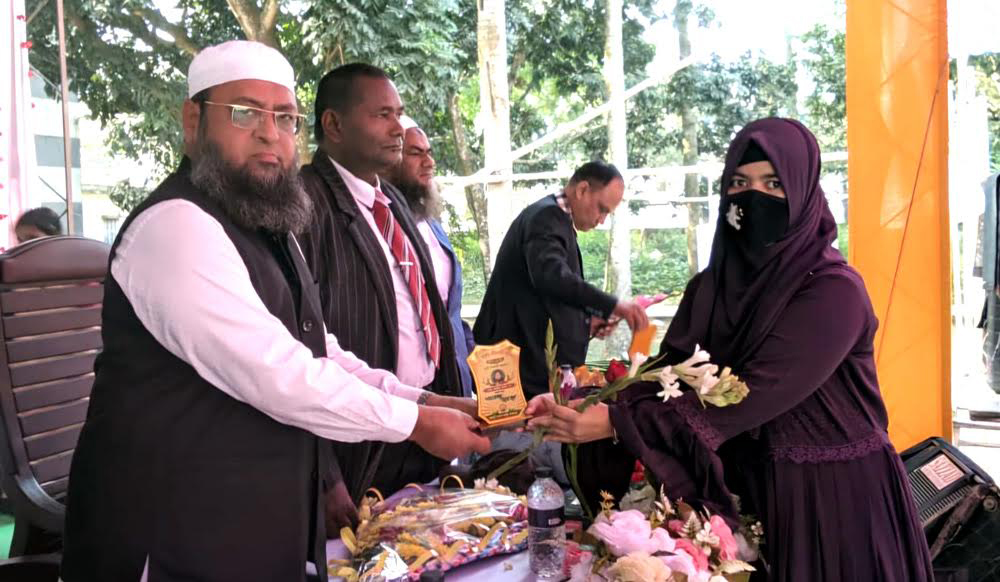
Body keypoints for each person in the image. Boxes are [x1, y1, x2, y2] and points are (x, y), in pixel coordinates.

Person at [61, 41, 489, 582]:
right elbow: (278, 374)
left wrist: (425, 399)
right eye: (245, 113)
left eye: (285, 118)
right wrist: (417, 424)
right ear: (193, 120)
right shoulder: (174, 227)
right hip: (167, 536)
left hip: (250, 531)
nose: (270, 133)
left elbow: (318, 351)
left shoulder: (266, 225)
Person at [525, 118, 933, 581]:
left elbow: (747, 394)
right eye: (740, 183)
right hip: (754, 498)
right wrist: (581, 404)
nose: (754, 197)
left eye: (773, 184)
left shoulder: (833, 293)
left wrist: (614, 422)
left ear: (803, 192)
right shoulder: (712, 291)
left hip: (837, 502)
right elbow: (669, 374)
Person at [300, 64, 473, 512]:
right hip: (357, 446)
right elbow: (301, 356)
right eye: (382, 115)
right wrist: (326, 477)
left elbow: (429, 311)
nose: (398, 127)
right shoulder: (304, 204)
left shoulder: (392, 200)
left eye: (398, 113)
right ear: (334, 124)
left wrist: (446, 403)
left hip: (424, 426)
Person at [474, 161, 649, 399]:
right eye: (601, 209)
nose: (601, 220)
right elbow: (551, 277)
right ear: (582, 189)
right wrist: (613, 305)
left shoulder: (555, 220)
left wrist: (586, 321)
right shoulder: (545, 217)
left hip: (527, 364)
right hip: (515, 367)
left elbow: (545, 296)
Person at [382, 115, 476, 398]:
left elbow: (450, 308)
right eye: (415, 153)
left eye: (429, 152)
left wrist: (475, 359)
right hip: (404, 388)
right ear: (390, 159)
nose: (429, 162)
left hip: (454, 378)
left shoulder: (432, 225)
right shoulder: (380, 226)